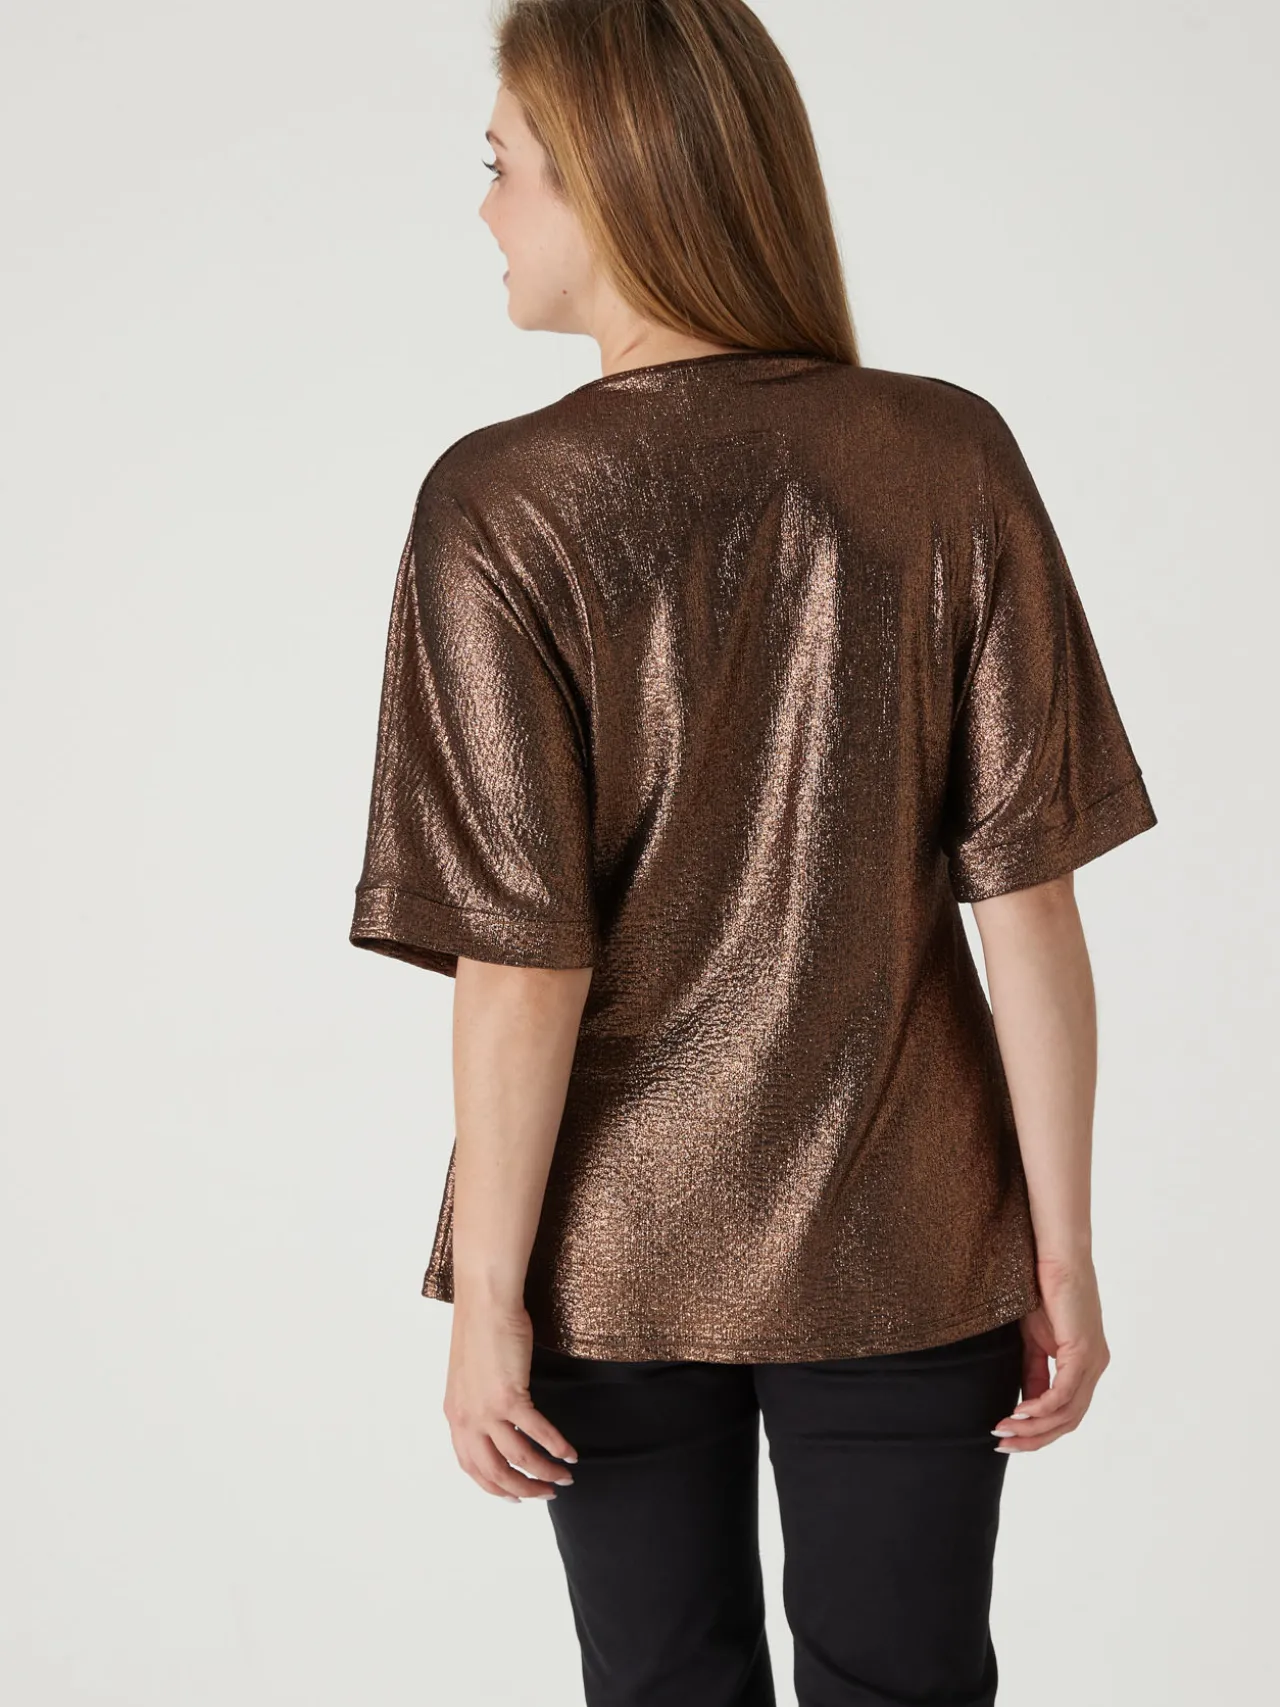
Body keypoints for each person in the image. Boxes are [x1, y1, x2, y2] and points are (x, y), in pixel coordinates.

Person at [347, 2, 1158, 1702]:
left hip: (609, 1251)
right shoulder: (945, 455)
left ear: (615, 180)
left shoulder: (501, 503)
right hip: (913, 1229)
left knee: (661, 1686)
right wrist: (1061, 1253)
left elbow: (521, 960)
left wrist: (487, 1297)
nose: (484, 209)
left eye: (502, 166)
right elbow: (1028, 905)